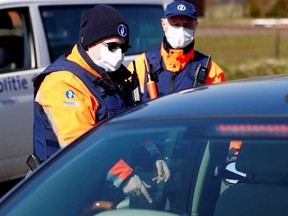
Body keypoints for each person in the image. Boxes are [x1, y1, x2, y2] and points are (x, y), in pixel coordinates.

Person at [28, 4, 170, 206]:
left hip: (103, 190)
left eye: (123, 47)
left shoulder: (114, 78)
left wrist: (153, 155)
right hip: (63, 193)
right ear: (89, 42)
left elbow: (131, 125)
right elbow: (78, 144)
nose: (119, 54)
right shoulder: (63, 82)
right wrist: (125, 177)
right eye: (112, 46)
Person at [128, 0, 226, 102]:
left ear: (195, 26)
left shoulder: (211, 70)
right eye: (175, 24)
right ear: (164, 24)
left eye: (187, 25)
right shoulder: (141, 64)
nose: (181, 30)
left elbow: (218, 108)